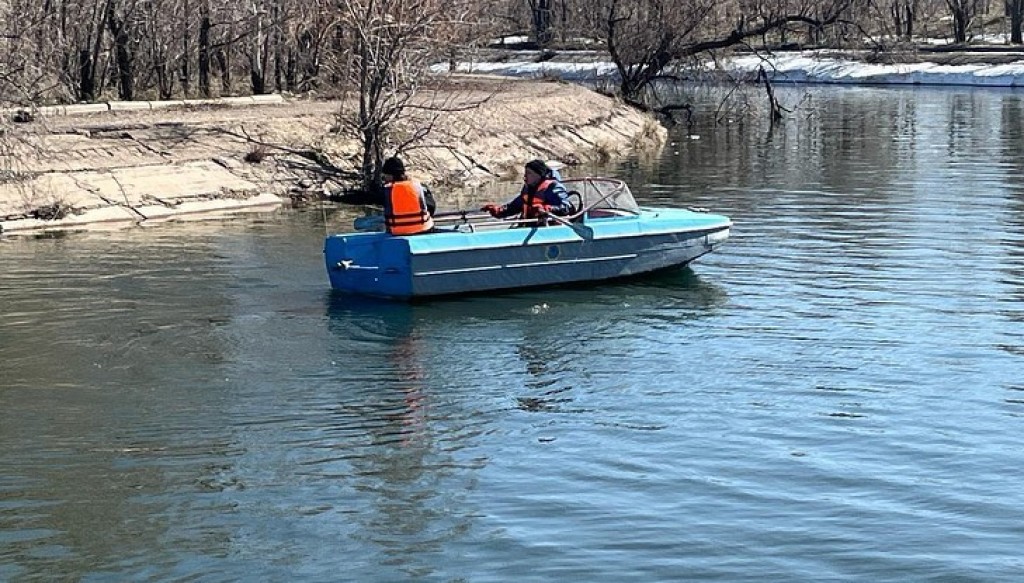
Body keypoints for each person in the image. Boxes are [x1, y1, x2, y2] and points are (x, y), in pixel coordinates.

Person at [481, 159, 573, 222]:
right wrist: (498, 211)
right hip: (528, 227)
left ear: (539, 174)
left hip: (548, 229)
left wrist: (546, 209)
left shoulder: (552, 187)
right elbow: (514, 207)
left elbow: (566, 208)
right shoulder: (528, 189)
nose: (525, 176)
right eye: (525, 173)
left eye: (529, 173)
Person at [380, 156, 435, 236]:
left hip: (398, 232)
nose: (384, 179)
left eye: (385, 176)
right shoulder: (419, 187)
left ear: (391, 175)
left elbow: (366, 197)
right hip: (424, 230)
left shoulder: (386, 191)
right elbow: (432, 207)